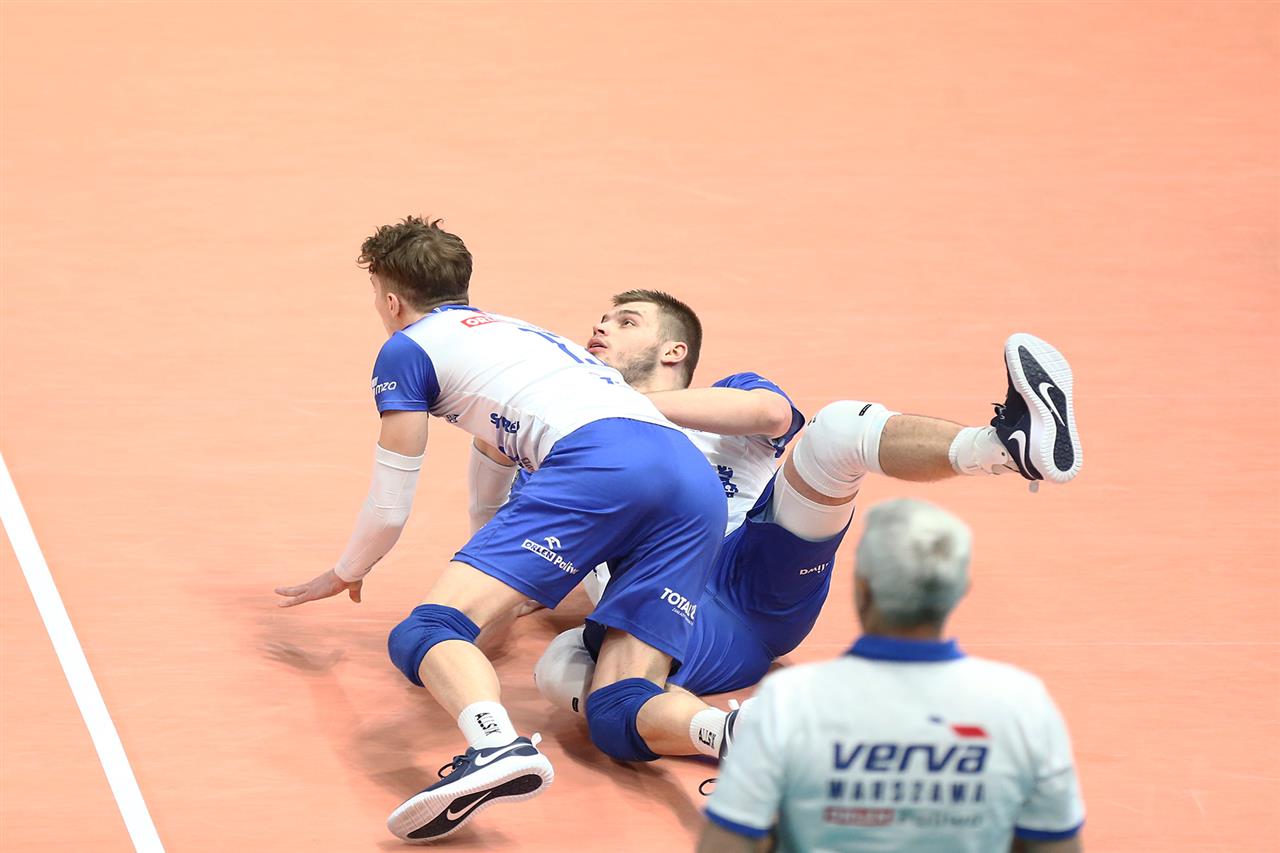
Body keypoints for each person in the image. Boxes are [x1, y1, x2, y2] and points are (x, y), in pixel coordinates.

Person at [272, 219, 727, 842]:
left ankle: (493, 745)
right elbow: (492, 473)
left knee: (427, 630)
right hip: (691, 483)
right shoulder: (520, 337)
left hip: (601, 462)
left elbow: (390, 505)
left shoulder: (408, 348)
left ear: (391, 300)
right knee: (620, 710)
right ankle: (734, 733)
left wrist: (348, 569)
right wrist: (505, 580)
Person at [522, 290, 1081, 764]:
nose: (600, 327)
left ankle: (1001, 448)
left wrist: (620, 407)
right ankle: (730, 734)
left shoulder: (727, 393)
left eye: (626, 321)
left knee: (836, 430)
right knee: (563, 669)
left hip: (754, 567)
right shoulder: (572, 445)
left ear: (674, 350)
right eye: (602, 320)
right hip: (672, 611)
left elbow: (770, 415)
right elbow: (520, 570)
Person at [698, 498, 1085, 852]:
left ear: (861, 587)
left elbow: (726, 845)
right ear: (962, 589)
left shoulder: (788, 702)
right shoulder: (1022, 706)